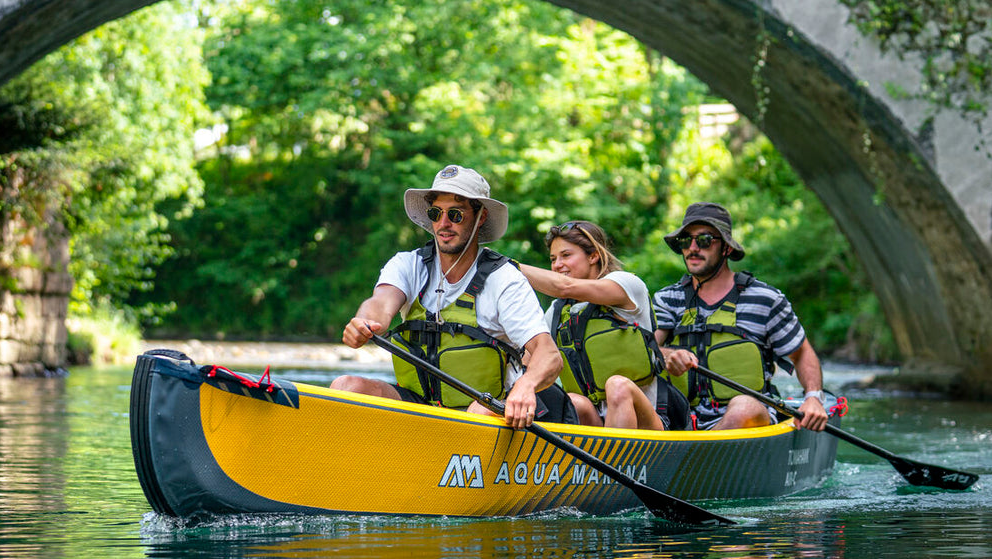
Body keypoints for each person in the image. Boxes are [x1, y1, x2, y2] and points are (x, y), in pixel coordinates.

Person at [332, 165, 567, 429]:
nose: (444, 224)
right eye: (436, 213)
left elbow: (549, 356)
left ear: (480, 217)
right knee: (346, 386)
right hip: (419, 407)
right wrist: (364, 322)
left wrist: (526, 386)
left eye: (455, 214)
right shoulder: (408, 264)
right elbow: (379, 304)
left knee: (480, 412)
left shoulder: (504, 279)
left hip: (485, 409)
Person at [652, 202, 829, 431]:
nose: (693, 248)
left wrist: (813, 397)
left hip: (746, 418)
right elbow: (648, 349)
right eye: (686, 240)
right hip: (680, 419)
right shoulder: (667, 299)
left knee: (744, 407)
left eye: (704, 240)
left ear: (726, 248)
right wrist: (668, 355)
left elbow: (801, 352)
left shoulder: (765, 299)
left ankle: (701, 451)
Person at [515, 220, 666, 431]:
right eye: (553, 259)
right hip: (595, 424)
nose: (557, 265)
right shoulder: (558, 311)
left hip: (647, 424)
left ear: (593, 256)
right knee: (573, 401)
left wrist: (509, 267)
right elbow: (526, 362)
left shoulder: (626, 285)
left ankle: (614, 453)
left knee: (617, 386)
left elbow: (564, 287)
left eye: (566, 255)